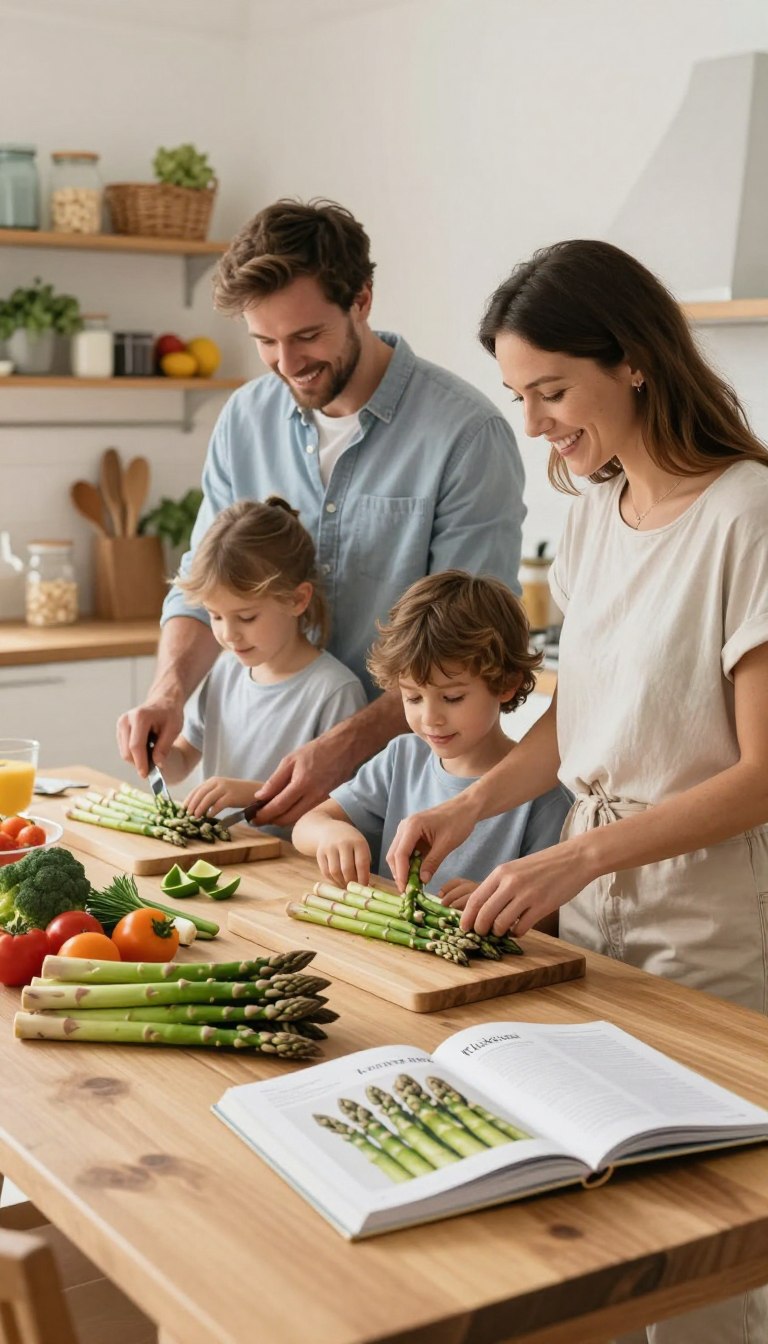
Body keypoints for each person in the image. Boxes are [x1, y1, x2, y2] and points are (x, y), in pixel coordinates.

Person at [387, 239, 768, 1344]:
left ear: (635, 361)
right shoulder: (597, 509)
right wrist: (473, 804)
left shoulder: (747, 517)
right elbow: (584, 712)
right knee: (592, 1232)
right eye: (520, 396)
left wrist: (579, 854)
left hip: (706, 926)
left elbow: (761, 776)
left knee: (699, 1252)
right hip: (593, 919)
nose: (536, 423)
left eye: (552, 391)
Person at [117, 199, 526, 827]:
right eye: (265, 342)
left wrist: (346, 745)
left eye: (307, 335)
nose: (288, 363)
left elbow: (473, 644)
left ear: (361, 300)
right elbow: (203, 588)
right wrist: (167, 695)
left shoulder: (466, 435)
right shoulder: (245, 420)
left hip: (405, 793)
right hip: (259, 815)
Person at [293, 570, 570, 893]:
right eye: (412, 697)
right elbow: (306, 826)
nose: (430, 718)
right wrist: (332, 833)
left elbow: (551, 915)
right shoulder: (402, 758)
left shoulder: (543, 794)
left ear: (507, 683)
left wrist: (495, 904)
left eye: (452, 698)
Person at [156, 496, 366, 833]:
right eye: (215, 615)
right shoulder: (224, 672)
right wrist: (157, 753)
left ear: (298, 599)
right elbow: (181, 762)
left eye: (247, 617)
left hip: (293, 869)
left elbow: (340, 807)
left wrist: (248, 793)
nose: (229, 634)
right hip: (224, 857)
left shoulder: (333, 690)